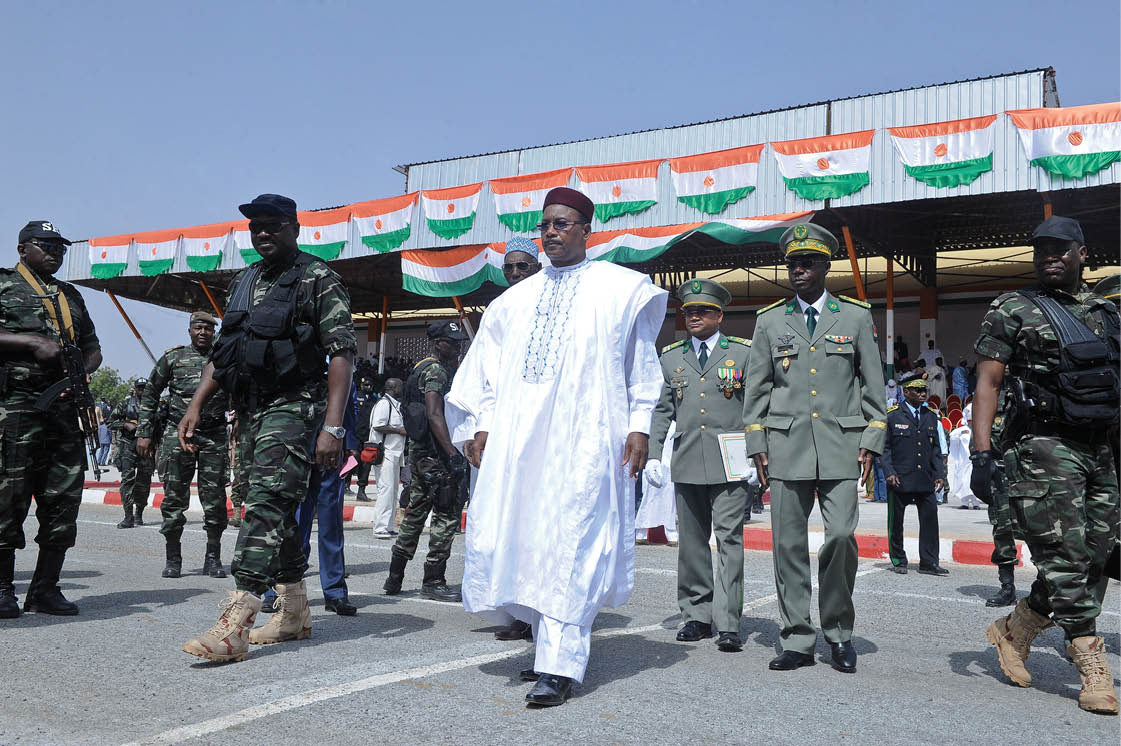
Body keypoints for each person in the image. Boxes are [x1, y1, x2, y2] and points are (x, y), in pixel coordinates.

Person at [446, 186, 667, 706]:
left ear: (587, 230)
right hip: (522, 448)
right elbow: (484, 373)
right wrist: (480, 424)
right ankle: (548, 651)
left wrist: (638, 424)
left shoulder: (620, 289)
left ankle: (560, 666)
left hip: (588, 442)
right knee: (531, 541)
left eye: (563, 223)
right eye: (546, 223)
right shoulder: (512, 302)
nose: (551, 231)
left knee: (574, 542)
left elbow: (642, 368)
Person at [178, 193, 356, 663]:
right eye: (255, 227)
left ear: (294, 228)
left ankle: (236, 623)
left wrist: (333, 428)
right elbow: (225, 353)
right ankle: (294, 612)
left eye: (272, 226)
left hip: (295, 406)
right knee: (273, 508)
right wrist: (196, 404)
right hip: (250, 410)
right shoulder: (244, 281)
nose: (262, 234)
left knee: (264, 505)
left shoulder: (318, 278)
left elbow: (342, 353)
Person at [971, 215, 1119, 714]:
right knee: (1063, 557)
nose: (1050, 257)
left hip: (1099, 447)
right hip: (1041, 447)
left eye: (1060, 249)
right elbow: (988, 381)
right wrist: (981, 450)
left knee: (1094, 558)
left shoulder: (1105, 312)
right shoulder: (1013, 308)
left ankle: (1015, 630)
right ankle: (1092, 664)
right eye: (1041, 250)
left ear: (1082, 253)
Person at [742, 222, 886, 674]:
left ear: (827, 265)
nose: (799, 270)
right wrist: (756, 442)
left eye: (808, 262)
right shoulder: (770, 321)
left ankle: (839, 632)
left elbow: (873, 388)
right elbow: (757, 391)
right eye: (792, 264)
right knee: (787, 545)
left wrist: (872, 440)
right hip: (786, 447)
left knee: (841, 536)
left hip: (842, 446)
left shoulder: (856, 317)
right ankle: (797, 639)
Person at [0, 220, 102, 618]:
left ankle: (45, 589)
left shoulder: (70, 295)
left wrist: (83, 369)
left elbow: (92, 345)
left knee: (62, 498)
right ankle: (3, 589)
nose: (55, 252)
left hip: (63, 406)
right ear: (23, 249)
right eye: (46, 245)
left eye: (60, 247)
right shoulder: (5, 284)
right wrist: (28, 342)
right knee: (9, 495)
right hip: (16, 406)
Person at [648, 278, 752, 652]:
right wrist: (654, 453)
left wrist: (758, 451)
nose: (694, 317)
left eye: (702, 311)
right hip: (689, 457)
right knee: (691, 543)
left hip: (731, 459)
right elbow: (662, 409)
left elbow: (757, 407)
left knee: (729, 541)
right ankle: (696, 615)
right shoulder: (671, 356)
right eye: (689, 311)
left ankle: (728, 621)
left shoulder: (743, 354)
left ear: (719, 316)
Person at [136, 311, 229, 579]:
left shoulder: (224, 358)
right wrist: (144, 432)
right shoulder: (173, 358)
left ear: (214, 332)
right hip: (177, 433)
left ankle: (213, 558)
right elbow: (151, 393)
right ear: (189, 331)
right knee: (174, 496)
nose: (203, 333)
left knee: (215, 500)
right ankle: (173, 558)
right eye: (198, 328)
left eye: (209, 329)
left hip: (214, 434)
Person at [383, 321, 469, 602]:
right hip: (437, 457)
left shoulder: (421, 366)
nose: (457, 348)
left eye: (459, 343)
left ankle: (394, 577)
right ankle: (433, 580)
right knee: (445, 516)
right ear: (437, 343)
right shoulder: (436, 370)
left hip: (421, 455)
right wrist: (453, 455)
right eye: (451, 343)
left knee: (415, 514)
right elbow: (434, 413)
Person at [264, 384, 360, 616]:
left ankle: (335, 593)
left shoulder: (337, 362)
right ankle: (277, 591)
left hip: (330, 452)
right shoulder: (291, 356)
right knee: (293, 525)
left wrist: (351, 446)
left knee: (331, 527)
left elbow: (348, 404)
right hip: (295, 447)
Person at [488, 235, 542, 642]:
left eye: (522, 266)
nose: (515, 274)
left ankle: (549, 616)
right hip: (508, 435)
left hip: (548, 435)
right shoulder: (500, 311)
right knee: (513, 529)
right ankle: (522, 614)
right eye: (508, 267)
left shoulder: (549, 303)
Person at [881, 371, 949, 575]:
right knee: (896, 522)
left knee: (930, 520)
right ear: (906, 391)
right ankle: (898, 559)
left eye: (924, 390)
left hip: (925, 478)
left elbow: (936, 449)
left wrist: (940, 474)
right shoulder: (893, 416)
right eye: (918, 390)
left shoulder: (931, 416)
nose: (923, 394)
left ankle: (929, 561)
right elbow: (884, 449)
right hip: (900, 477)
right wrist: (889, 471)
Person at [111, 378, 155, 529]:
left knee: (144, 481)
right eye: (139, 388)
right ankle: (128, 516)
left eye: (144, 387)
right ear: (135, 389)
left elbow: (162, 422)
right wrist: (125, 424)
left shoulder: (155, 403)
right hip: (128, 446)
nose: (142, 390)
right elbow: (110, 421)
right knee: (127, 480)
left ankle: (139, 514)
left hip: (147, 448)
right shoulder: (125, 404)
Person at [368, 377, 405, 539]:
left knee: (393, 491)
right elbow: (378, 425)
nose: (402, 389)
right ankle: (380, 527)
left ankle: (388, 526)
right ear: (393, 387)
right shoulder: (384, 404)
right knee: (386, 490)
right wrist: (399, 430)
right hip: (385, 453)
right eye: (400, 386)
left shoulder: (395, 405)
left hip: (395, 453)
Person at [949, 403, 982, 509]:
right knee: (963, 481)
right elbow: (953, 440)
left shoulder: (981, 430)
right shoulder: (961, 431)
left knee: (975, 481)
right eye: (969, 421)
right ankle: (964, 502)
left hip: (976, 461)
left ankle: (976, 503)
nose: (971, 423)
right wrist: (958, 434)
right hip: (964, 460)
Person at [352, 377, 377, 502]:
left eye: (370, 385)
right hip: (355, 435)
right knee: (352, 460)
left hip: (367, 436)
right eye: (366, 385)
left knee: (366, 463)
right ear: (361, 385)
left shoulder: (374, 399)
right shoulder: (356, 396)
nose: (368, 387)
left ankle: (361, 490)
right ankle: (346, 483)